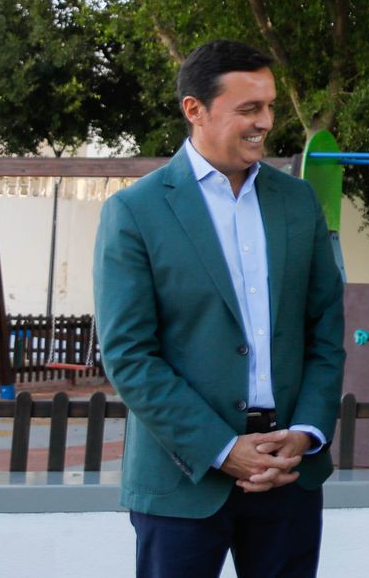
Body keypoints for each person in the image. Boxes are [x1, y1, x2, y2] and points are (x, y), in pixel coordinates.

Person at [93, 40, 346, 578]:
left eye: (270, 106)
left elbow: (325, 332)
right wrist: (222, 448)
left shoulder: (298, 201)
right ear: (194, 109)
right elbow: (128, 355)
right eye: (249, 109)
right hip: (181, 481)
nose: (266, 122)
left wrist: (305, 433)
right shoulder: (134, 212)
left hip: (288, 472)